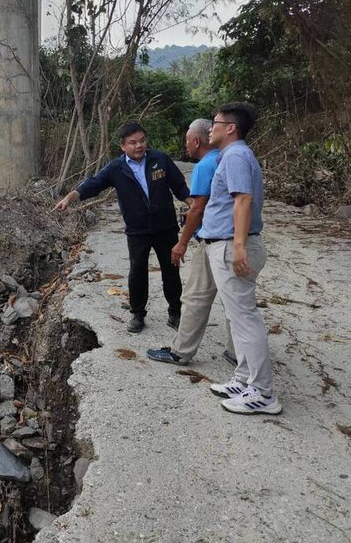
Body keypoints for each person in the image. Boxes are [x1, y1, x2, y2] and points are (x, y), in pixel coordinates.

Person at [53, 121, 190, 333]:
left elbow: (179, 186)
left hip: (166, 227)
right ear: (123, 146)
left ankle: (175, 311)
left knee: (171, 271)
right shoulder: (116, 168)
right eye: (133, 143)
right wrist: (70, 198)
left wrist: (195, 206)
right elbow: (93, 184)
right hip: (138, 230)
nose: (139, 146)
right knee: (137, 272)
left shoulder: (160, 160)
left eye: (142, 140)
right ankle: (137, 314)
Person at [199, 102, 281, 415]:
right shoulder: (234, 155)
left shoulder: (234, 155)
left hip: (232, 246)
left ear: (230, 127)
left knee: (245, 318)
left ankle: (262, 393)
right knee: (237, 316)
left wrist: (238, 246)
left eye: (215, 122)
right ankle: (245, 378)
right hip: (228, 244)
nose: (211, 127)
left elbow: (243, 200)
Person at [146, 119, 236, 365]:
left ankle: (181, 351)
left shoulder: (205, 165)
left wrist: (182, 242)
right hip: (235, 238)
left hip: (215, 241)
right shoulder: (229, 157)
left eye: (187, 139)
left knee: (195, 297)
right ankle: (238, 352)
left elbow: (197, 208)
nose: (186, 144)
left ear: (196, 141)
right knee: (234, 302)